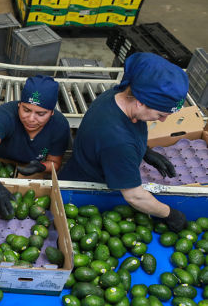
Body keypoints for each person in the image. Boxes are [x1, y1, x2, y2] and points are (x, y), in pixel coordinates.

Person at [59, 53, 189, 232]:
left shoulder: (116, 95)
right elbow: (135, 197)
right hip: (87, 194)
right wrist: (170, 214)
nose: (163, 121)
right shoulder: (118, 141)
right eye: (160, 115)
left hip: (80, 169)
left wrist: (144, 151)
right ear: (141, 103)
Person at [0, 75, 70, 217]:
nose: (31, 119)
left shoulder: (59, 127)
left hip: (29, 167)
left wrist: (41, 167)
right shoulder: (5, 116)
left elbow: (55, 163)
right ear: (19, 104)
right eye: (26, 110)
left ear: (51, 113)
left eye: (40, 114)